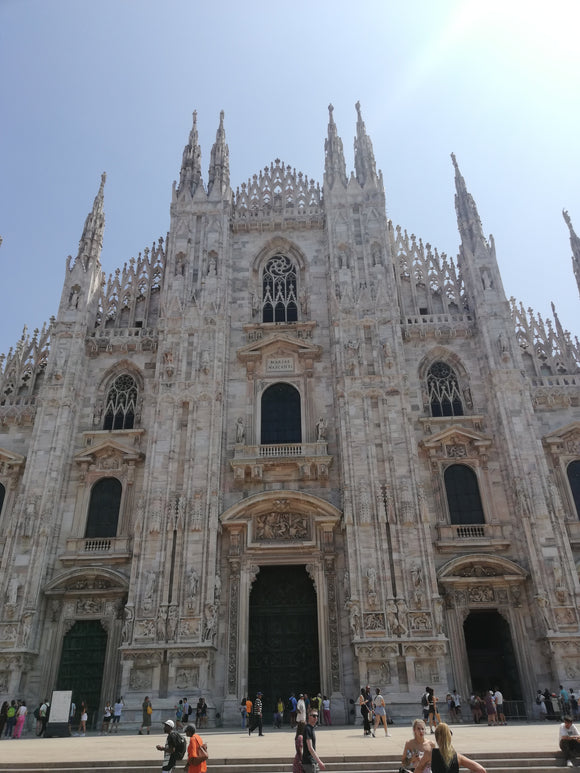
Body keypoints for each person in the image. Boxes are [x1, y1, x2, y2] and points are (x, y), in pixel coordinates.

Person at [414, 722, 486, 773]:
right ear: (449, 737)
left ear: (436, 737)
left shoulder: (429, 754)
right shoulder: (457, 756)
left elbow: (418, 770)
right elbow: (481, 770)